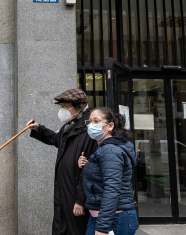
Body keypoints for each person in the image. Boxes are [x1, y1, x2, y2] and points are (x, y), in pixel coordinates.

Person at [26, 88, 98, 235]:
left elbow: (90, 170)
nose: (61, 111)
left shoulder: (89, 129)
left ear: (78, 107)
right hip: (64, 188)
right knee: (62, 227)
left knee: (75, 229)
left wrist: (80, 199)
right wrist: (39, 129)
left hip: (75, 190)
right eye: (61, 107)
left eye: (65, 107)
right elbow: (57, 140)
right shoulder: (69, 125)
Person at [78, 107, 137, 235]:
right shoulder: (104, 148)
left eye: (96, 121)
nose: (91, 125)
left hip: (113, 219)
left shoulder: (110, 150)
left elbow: (112, 188)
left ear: (110, 126)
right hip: (101, 217)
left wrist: (102, 227)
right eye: (89, 122)